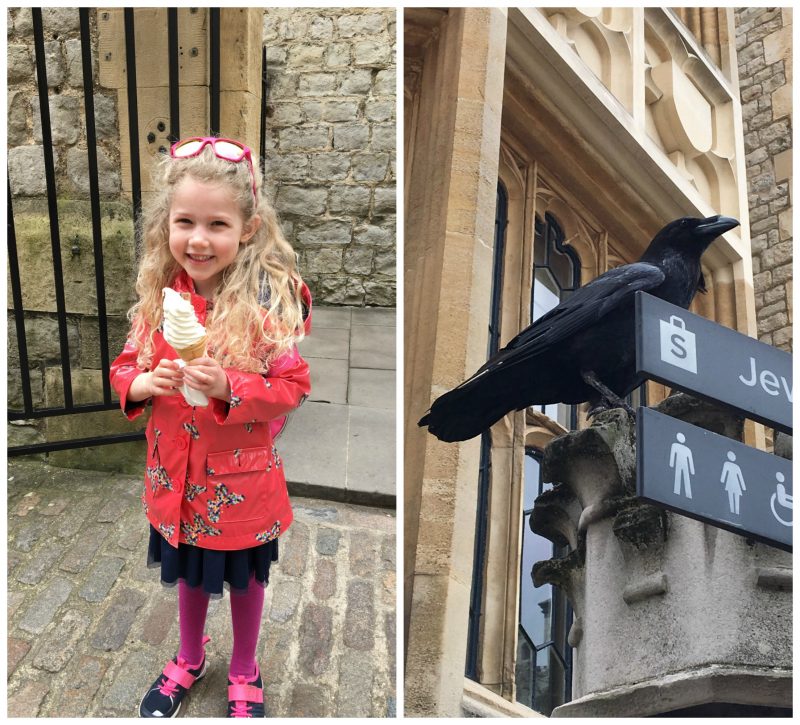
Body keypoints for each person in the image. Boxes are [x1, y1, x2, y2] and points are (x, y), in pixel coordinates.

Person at [110, 137, 311, 718]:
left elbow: (292, 387)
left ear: (247, 229)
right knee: (191, 578)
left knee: (245, 583)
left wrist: (229, 387)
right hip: (175, 481)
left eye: (217, 223)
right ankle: (189, 656)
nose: (198, 239)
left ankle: (245, 669)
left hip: (240, 487)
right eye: (185, 222)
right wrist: (142, 384)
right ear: (165, 225)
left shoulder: (265, 306)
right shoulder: (158, 301)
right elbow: (126, 364)